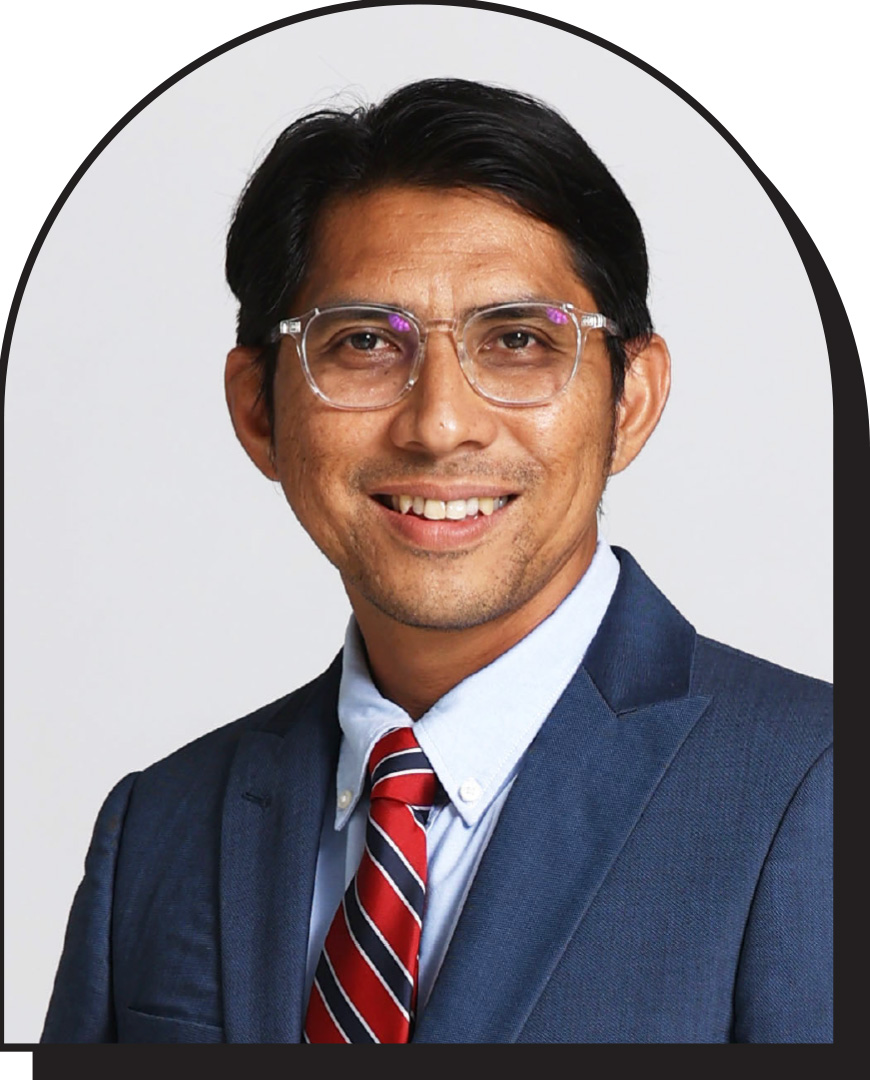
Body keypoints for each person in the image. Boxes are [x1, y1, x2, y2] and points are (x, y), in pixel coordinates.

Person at [41, 78, 832, 1044]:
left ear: (630, 401)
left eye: (519, 340)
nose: (440, 423)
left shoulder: (819, 788)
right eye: (365, 342)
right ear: (258, 411)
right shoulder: (158, 826)